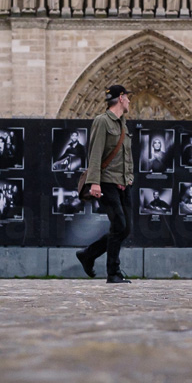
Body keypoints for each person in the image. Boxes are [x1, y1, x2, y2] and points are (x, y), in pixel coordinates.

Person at [76, 85, 135, 284]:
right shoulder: (102, 121)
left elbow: (126, 156)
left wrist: (129, 178)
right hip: (107, 182)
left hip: (123, 183)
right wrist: (94, 182)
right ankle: (113, 272)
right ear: (121, 98)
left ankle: (88, 254)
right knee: (119, 224)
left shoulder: (123, 124)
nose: (129, 101)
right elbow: (95, 153)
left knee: (125, 228)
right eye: (127, 97)